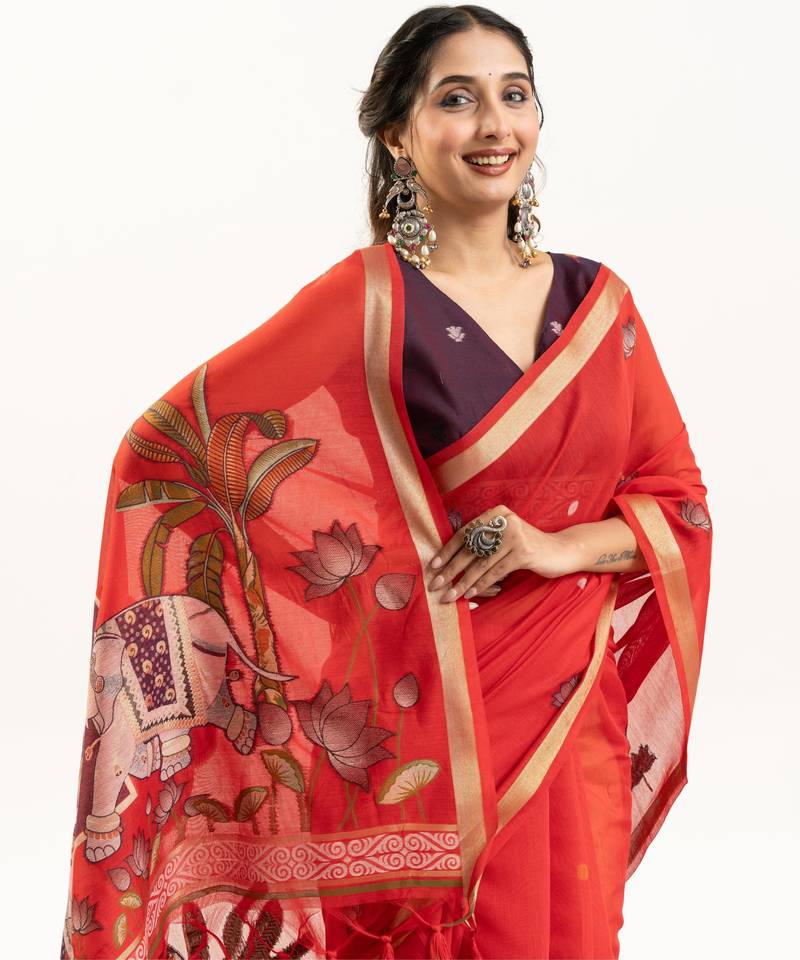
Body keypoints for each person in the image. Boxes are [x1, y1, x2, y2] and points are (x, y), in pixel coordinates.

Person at [60, 6, 712, 959]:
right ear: (401, 135)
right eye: (458, 99)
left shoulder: (599, 306)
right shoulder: (370, 300)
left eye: (514, 95)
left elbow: (680, 503)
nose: (494, 125)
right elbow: (169, 451)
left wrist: (549, 547)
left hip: (574, 723)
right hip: (432, 728)